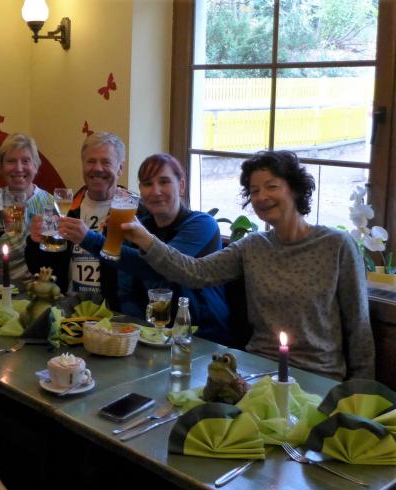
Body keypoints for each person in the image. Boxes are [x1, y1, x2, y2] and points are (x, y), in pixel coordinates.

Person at [118, 150, 374, 380]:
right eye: (254, 191)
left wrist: (362, 392)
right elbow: (194, 272)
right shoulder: (252, 246)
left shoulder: (336, 244)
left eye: (271, 186)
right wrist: (144, 239)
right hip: (256, 371)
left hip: (318, 377)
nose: (262, 197)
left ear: (295, 189)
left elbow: (358, 324)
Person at [66, 153, 232, 346]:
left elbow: (161, 269)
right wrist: (133, 328)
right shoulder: (140, 225)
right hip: (151, 336)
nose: (155, 191)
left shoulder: (202, 224)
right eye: (147, 184)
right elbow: (125, 283)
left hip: (202, 338)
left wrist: (90, 239)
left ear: (181, 186)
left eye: (164, 182)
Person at [26, 132, 123, 307]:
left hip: (113, 312)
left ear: (120, 168)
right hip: (70, 307)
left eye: (106, 162)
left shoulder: (132, 213)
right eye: (91, 161)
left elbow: (135, 269)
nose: (98, 168)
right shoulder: (66, 209)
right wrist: (35, 242)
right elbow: (43, 269)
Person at [0, 133, 55, 284]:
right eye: (11, 161)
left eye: (26, 161)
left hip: (40, 288)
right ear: (1, 167)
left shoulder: (50, 203)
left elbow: (55, 256)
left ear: (36, 166)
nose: (18, 168)